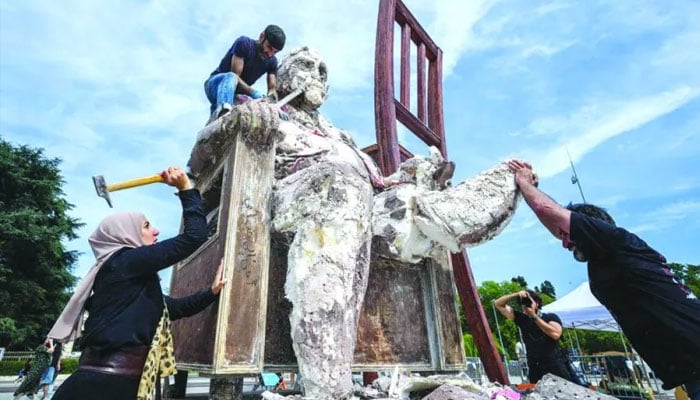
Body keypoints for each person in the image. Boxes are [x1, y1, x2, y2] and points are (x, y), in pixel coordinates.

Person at [189, 46, 522, 399]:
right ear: (283, 73)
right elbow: (199, 157)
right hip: (288, 201)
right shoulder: (263, 109)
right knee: (340, 187)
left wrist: (407, 176)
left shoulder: (339, 135)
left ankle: (461, 210)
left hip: (360, 207)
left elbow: (377, 178)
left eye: (322, 70)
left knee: (407, 204)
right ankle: (328, 388)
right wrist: (240, 118)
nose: (316, 75)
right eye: (306, 66)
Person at [507, 159, 700, 400]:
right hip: (691, 372)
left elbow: (551, 213)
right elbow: (555, 220)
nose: (565, 243)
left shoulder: (615, 242)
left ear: (591, 226)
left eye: (568, 236)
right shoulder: (606, 259)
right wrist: (532, 191)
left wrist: (523, 182)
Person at [48, 166, 227, 400]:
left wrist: (211, 293)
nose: (156, 231)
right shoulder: (123, 261)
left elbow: (173, 308)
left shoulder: (130, 279)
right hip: (103, 387)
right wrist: (185, 189)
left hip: (111, 385)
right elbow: (194, 236)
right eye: (146, 226)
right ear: (124, 234)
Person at [204, 24, 286, 119]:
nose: (270, 54)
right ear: (262, 37)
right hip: (215, 86)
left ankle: (218, 116)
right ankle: (224, 113)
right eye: (269, 47)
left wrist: (274, 104)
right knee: (231, 77)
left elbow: (272, 88)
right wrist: (255, 93)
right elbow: (235, 77)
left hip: (235, 95)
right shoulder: (244, 44)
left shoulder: (272, 62)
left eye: (275, 52)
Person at [495, 289, 572, 384]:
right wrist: (516, 294)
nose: (525, 305)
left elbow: (555, 334)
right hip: (534, 366)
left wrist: (534, 316)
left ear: (537, 302)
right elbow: (498, 304)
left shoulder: (550, 317)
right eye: (523, 303)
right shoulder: (522, 319)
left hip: (554, 364)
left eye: (529, 302)